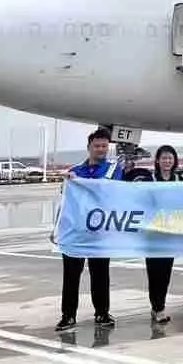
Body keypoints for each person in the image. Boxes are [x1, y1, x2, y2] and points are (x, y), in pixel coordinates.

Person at [56, 127, 120, 331]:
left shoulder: (113, 169)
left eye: (104, 146)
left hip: (100, 232)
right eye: (97, 146)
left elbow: (112, 191)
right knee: (71, 275)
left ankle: (102, 313)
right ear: (89, 147)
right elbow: (65, 198)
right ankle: (68, 315)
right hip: (75, 231)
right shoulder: (75, 171)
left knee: (100, 274)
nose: (101, 149)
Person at [142, 145, 183, 323]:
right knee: (154, 272)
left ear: (174, 161)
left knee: (166, 272)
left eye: (170, 158)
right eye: (164, 158)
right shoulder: (148, 180)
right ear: (157, 161)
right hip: (153, 234)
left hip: (170, 233)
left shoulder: (180, 180)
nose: (167, 161)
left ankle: (160, 305)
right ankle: (157, 307)